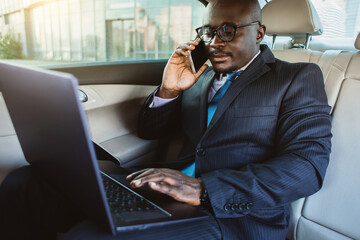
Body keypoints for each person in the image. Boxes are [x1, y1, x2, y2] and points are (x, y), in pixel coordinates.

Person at [0, 0, 332, 239]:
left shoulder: (296, 77)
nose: (215, 42)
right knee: (24, 183)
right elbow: (150, 131)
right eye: (209, 31)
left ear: (258, 32)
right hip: (160, 188)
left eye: (229, 31)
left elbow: (307, 166)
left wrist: (203, 190)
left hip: (228, 214)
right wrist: (169, 90)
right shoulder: (199, 75)